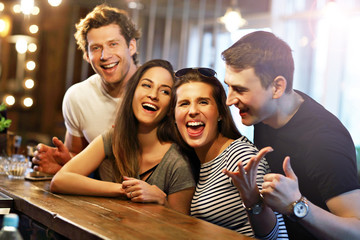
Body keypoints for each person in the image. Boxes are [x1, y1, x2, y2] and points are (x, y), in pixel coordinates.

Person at [222, 31, 360, 239]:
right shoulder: (263, 115)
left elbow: (356, 231)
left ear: (277, 87)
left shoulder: (324, 141)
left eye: (240, 90)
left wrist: (296, 205)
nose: (229, 100)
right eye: (229, 87)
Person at [50, 59, 195, 214]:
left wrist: (163, 201)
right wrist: (124, 190)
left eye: (165, 91)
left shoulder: (178, 164)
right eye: (147, 85)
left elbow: (182, 230)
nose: (153, 95)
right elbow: (60, 180)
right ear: (132, 92)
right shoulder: (114, 138)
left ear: (170, 108)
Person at [170, 68, 288, 239]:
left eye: (203, 102)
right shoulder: (194, 161)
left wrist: (253, 200)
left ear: (219, 113)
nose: (193, 111)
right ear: (173, 116)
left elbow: (276, 236)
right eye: (184, 103)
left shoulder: (239, 155)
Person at [32, 4, 141, 174]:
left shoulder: (158, 92)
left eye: (113, 44)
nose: (105, 56)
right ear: (87, 56)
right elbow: (76, 154)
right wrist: (64, 164)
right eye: (96, 48)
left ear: (131, 46)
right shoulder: (78, 97)